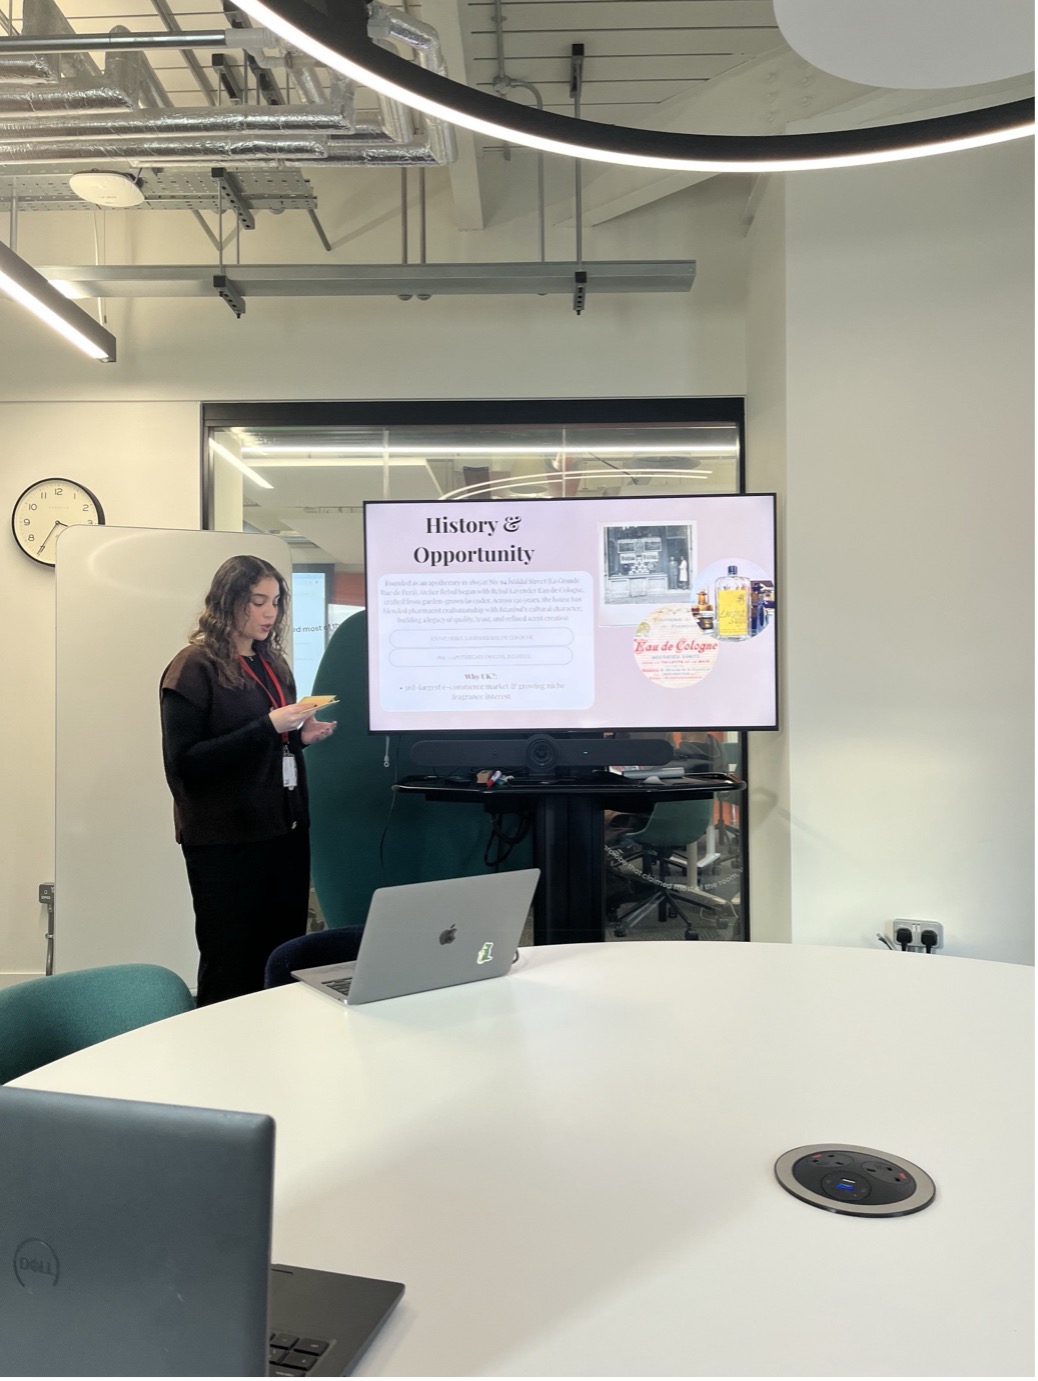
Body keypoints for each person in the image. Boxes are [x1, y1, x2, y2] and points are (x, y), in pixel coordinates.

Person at [159, 555, 336, 1006]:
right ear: (229, 600)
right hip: (225, 841)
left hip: (285, 830)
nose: (269, 613)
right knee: (231, 961)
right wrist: (269, 727)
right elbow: (186, 764)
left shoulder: (272, 663)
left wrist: (300, 739)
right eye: (258, 601)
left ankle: (277, 1055)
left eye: (275, 602)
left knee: (283, 955)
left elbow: (268, 747)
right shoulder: (193, 669)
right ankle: (221, 1060)